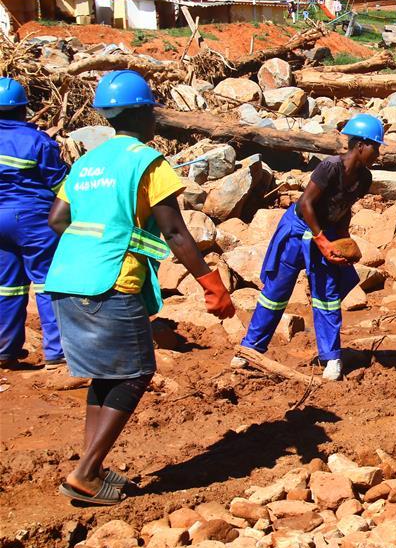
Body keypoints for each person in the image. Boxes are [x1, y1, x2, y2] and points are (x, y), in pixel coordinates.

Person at [45, 70, 234, 505]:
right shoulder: (147, 162)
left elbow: (57, 219)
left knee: (106, 374)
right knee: (135, 372)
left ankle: (90, 467)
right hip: (111, 282)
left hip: (67, 278)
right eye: (153, 111)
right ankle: (85, 473)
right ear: (142, 113)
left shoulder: (87, 163)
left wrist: (94, 242)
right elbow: (175, 232)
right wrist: (211, 284)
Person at [235, 114, 383, 382]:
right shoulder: (330, 167)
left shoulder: (364, 178)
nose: (378, 153)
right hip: (298, 230)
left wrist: (343, 238)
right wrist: (321, 240)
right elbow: (305, 204)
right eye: (376, 146)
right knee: (275, 293)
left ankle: (331, 358)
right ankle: (250, 349)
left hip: (326, 232)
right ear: (361, 145)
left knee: (326, 295)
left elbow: (344, 208)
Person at [0, 77, 68, 370]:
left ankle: (4, 351)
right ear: (23, 109)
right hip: (33, 222)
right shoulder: (37, 141)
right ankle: (56, 353)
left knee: (7, 287)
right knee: (46, 283)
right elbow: (60, 186)